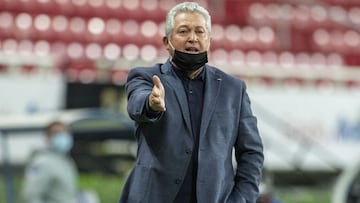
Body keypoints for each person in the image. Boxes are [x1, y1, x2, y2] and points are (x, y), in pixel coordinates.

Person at [119, 2, 264, 203]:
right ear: (166, 41)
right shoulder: (146, 77)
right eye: (183, 31)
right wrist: (151, 105)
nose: (193, 38)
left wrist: (242, 199)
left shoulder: (233, 89)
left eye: (200, 31)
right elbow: (137, 104)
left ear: (209, 40)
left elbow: (251, 152)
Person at [22, 120, 78, 203]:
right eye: (57, 133)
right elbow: (31, 196)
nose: (62, 136)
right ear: (47, 137)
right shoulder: (42, 163)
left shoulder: (67, 161)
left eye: (65, 132)